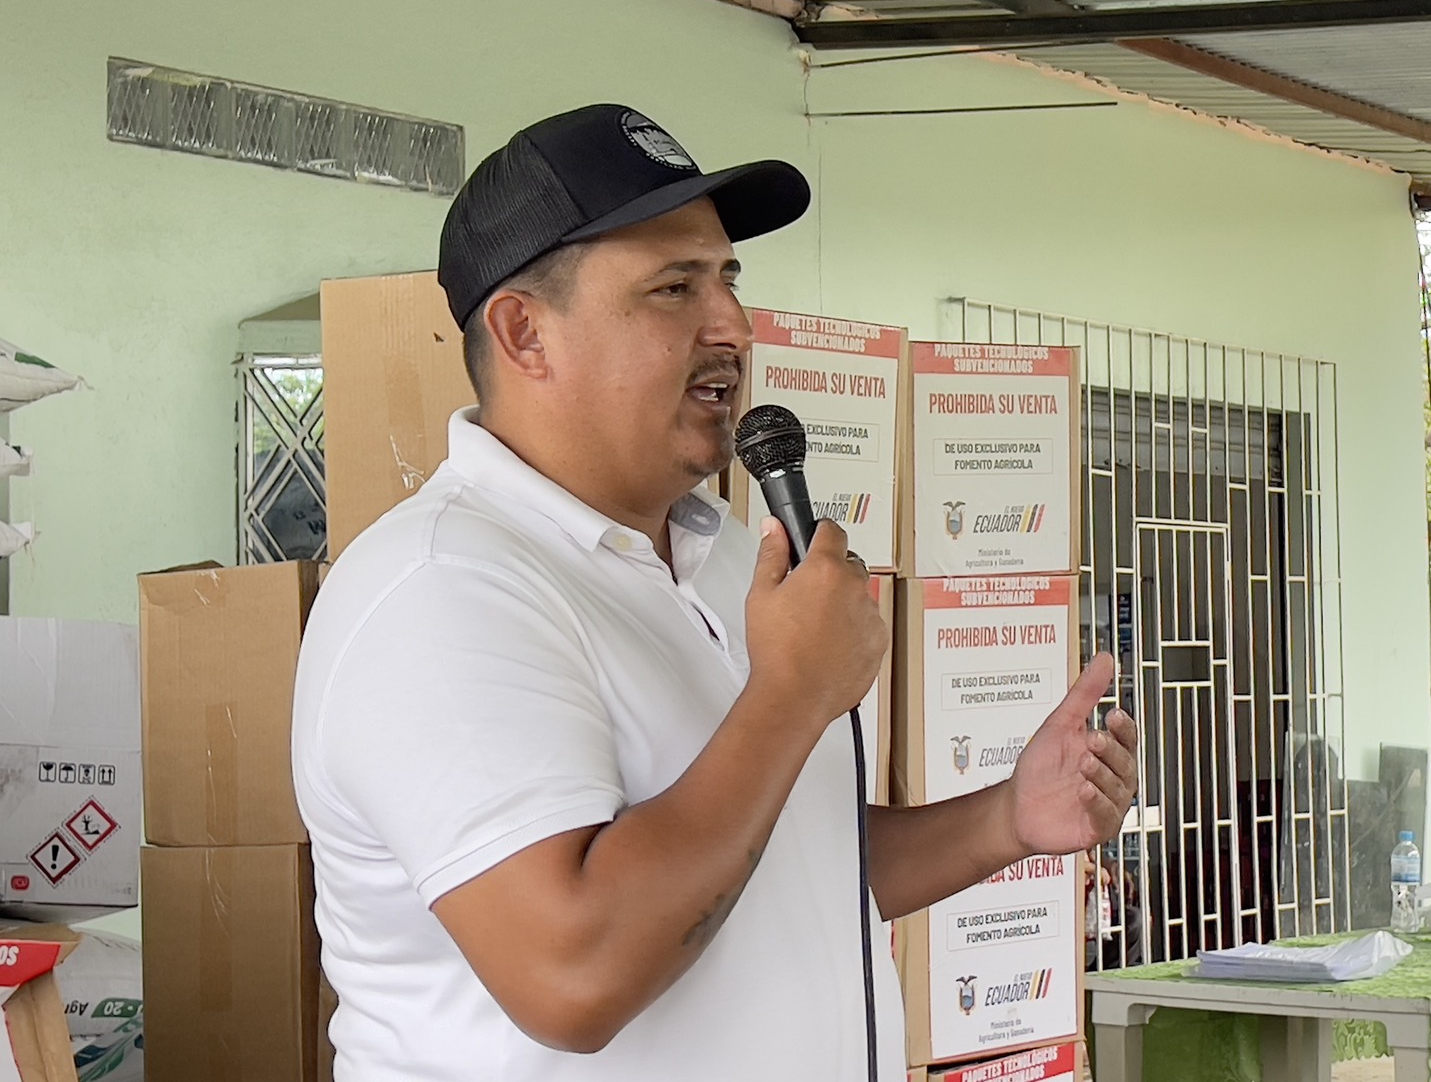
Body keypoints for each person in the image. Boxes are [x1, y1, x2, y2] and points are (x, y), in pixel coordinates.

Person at [291, 104, 1141, 1081]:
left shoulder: (731, 558)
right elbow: (572, 975)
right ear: (524, 333)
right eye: (673, 287)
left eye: (729, 280)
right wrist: (790, 695)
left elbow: (781, 864)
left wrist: (1004, 820)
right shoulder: (441, 590)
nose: (733, 325)